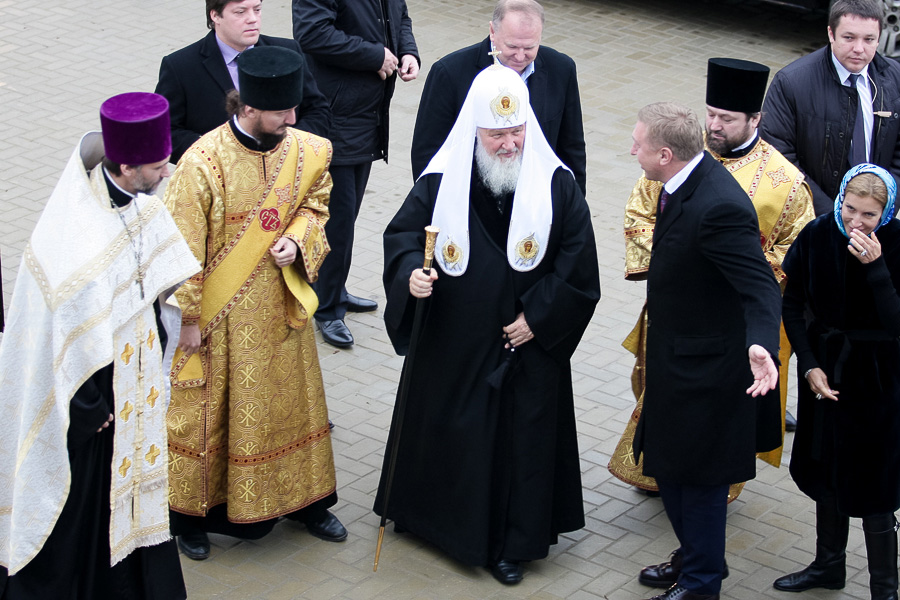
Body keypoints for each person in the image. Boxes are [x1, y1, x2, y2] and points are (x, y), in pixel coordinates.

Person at [374, 64, 600, 586]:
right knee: (451, 431)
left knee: (516, 448)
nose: (507, 144)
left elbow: (577, 263)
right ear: (474, 129)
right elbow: (404, 234)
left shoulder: (556, 183)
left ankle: (508, 544)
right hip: (454, 340)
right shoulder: (441, 177)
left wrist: (538, 319)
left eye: (516, 131)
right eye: (496, 134)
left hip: (523, 345)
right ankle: (430, 519)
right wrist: (412, 276)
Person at [0, 92, 200, 598]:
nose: (168, 173)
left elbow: (158, 290)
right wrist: (92, 406)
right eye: (158, 166)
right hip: (93, 409)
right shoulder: (72, 238)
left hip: (138, 389)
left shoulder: (144, 207)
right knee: (86, 506)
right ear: (127, 165)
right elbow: (55, 336)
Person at [608, 58, 815, 529]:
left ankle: (703, 509)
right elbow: (641, 210)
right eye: (711, 114)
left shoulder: (785, 181)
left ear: (755, 120)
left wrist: (723, 272)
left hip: (731, 324)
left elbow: (790, 250)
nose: (715, 126)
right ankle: (666, 478)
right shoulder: (680, 151)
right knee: (660, 394)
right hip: (675, 312)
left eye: (728, 118)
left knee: (710, 430)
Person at [163, 45, 346, 562]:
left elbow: (317, 203)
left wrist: (300, 236)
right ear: (246, 107)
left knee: (291, 410)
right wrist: (191, 320)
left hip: (282, 313)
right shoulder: (202, 164)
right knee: (207, 417)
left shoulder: (306, 151)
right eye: (281, 113)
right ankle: (191, 519)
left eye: (294, 111)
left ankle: (308, 502)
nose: (292, 120)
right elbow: (180, 250)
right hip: (219, 325)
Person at [630, 102, 783, 600]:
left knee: (697, 485)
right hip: (677, 364)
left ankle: (700, 585)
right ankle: (697, 562)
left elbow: (760, 285)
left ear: (666, 154)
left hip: (708, 376)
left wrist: (760, 343)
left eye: (640, 145)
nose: (632, 150)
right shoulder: (680, 184)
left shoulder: (718, 207)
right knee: (671, 472)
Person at [774, 163, 900, 600]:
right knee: (826, 467)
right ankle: (829, 565)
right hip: (825, 370)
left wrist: (877, 268)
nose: (856, 222)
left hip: (878, 380)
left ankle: (885, 588)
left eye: (869, 214)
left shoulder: (897, 243)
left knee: (875, 483)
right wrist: (808, 365)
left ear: (885, 213)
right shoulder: (818, 234)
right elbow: (792, 304)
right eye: (850, 209)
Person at [292, 0, 419, 348]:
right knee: (337, 221)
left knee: (346, 218)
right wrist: (374, 56)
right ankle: (326, 308)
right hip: (335, 118)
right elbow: (311, 33)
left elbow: (400, 16)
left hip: (367, 118)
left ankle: (334, 290)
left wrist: (407, 52)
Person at [410, 0, 586, 196]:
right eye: (512, 46)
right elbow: (427, 152)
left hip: (537, 202)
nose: (520, 57)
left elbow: (572, 149)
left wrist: (574, 209)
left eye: (529, 48)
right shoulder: (450, 73)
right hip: (471, 203)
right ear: (492, 31)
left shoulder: (561, 69)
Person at [760, 0, 900, 216]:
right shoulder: (791, 83)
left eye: (869, 39)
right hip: (814, 221)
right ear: (831, 33)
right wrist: (831, 216)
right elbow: (779, 158)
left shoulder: (895, 79)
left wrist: (883, 209)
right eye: (849, 37)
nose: (859, 49)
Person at [155, 0, 330, 164]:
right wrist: (214, 152)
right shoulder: (180, 66)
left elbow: (317, 110)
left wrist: (289, 145)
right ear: (215, 15)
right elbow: (164, 132)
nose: (253, 19)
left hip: (282, 176)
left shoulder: (288, 52)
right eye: (240, 12)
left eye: (257, 9)